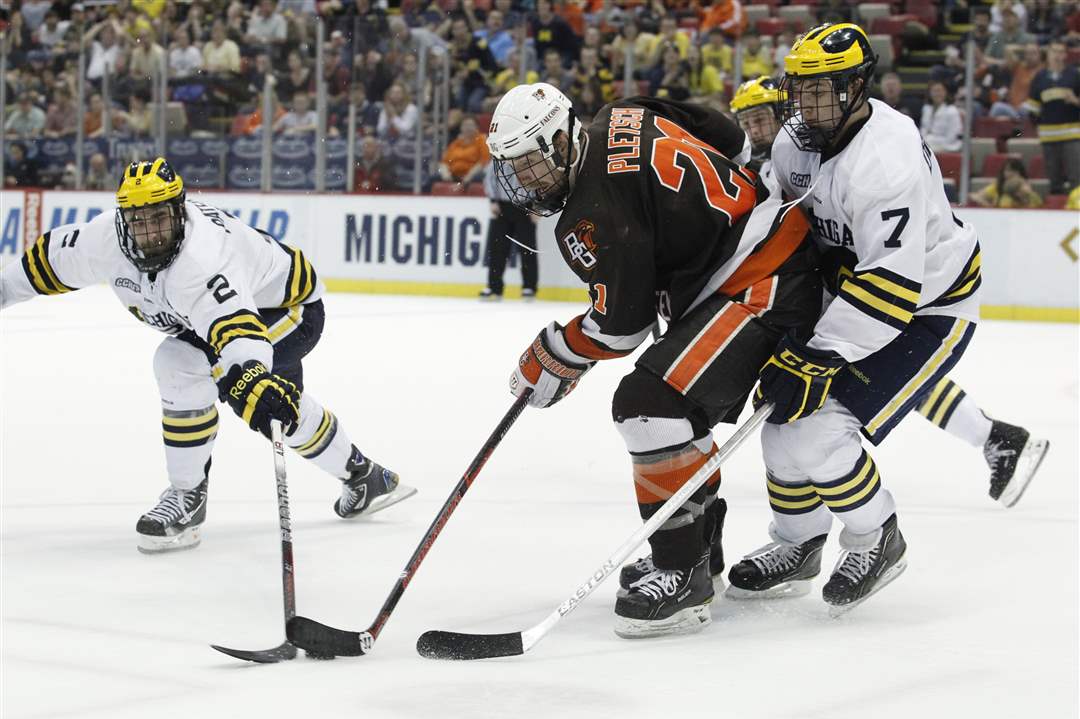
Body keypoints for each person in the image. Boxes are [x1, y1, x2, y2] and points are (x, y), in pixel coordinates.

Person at [728, 23, 1048, 612]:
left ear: (856, 87)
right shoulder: (794, 143)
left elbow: (891, 283)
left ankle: (878, 538)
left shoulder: (885, 157)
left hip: (929, 303)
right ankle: (797, 545)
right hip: (854, 294)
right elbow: (785, 226)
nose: (805, 103)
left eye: (822, 89)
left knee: (819, 429)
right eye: (799, 88)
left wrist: (819, 353)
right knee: (781, 423)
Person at [487, 82, 822, 638]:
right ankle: (697, 549)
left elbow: (622, 330)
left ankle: (681, 571)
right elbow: (731, 137)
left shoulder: (587, 214)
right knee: (675, 411)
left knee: (647, 404)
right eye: (514, 171)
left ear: (562, 139)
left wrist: (555, 352)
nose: (526, 183)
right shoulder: (621, 111)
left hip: (763, 279)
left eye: (532, 166)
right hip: (758, 258)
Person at [0, 158, 415, 554]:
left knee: (183, 366)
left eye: (160, 217)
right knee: (279, 409)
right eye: (139, 221)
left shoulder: (202, 260)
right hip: (215, 319)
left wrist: (251, 375)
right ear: (123, 220)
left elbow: (237, 329)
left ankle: (186, 495)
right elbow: (43, 264)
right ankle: (365, 475)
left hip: (288, 309)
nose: (151, 232)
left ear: (179, 211)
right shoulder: (102, 240)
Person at [1025, 41, 1080, 194]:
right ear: (1047, 54)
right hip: (1048, 136)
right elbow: (1033, 109)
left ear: (1065, 55)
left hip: (1073, 134)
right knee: (1054, 179)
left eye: (1060, 51)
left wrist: (1075, 101)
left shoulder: (1075, 75)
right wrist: (1039, 128)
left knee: (1076, 177)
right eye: (1054, 51)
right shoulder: (1039, 77)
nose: (1057, 55)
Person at [479, 158, 537, 301]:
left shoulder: (530, 157)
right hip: (502, 207)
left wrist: (537, 205)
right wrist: (493, 200)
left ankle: (529, 287)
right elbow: (489, 178)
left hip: (525, 207)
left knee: (527, 249)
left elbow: (539, 181)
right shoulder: (498, 158)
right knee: (497, 248)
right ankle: (494, 287)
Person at [969, 157, 1044, 207]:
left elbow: (1037, 204)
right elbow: (975, 196)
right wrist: (990, 207)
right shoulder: (997, 186)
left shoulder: (1024, 187)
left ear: (1020, 173)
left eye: (1014, 171)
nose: (1011, 173)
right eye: (1008, 170)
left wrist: (1023, 196)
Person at [438, 116, 490, 185]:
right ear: (461, 128)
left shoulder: (482, 140)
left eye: (470, 125)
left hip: (473, 174)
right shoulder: (456, 143)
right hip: (453, 175)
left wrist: (468, 177)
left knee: (478, 178)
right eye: (465, 125)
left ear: (476, 127)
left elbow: (483, 161)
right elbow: (444, 162)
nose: (468, 128)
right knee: (433, 179)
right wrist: (446, 174)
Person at [920, 80, 963, 152]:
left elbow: (951, 137)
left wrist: (930, 140)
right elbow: (924, 129)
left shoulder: (952, 110)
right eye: (934, 91)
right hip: (928, 144)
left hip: (949, 146)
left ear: (945, 92)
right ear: (930, 93)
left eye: (940, 91)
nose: (937, 94)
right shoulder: (926, 108)